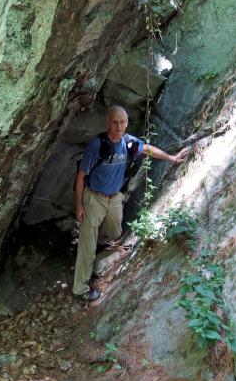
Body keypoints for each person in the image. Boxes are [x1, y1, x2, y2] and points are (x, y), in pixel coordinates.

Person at [72, 105, 189, 301]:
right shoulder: (98, 144)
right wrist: (79, 205)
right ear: (108, 123)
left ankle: (99, 250)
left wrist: (172, 158)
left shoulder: (128, 142)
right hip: (93, 198)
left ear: (126, 123)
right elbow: (81, 175)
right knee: (87, 244)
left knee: (115, 231)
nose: (118, 126)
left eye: (122, 122)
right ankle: (80, 289)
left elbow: (148, 149)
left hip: (115, 198)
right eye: (115, 122)